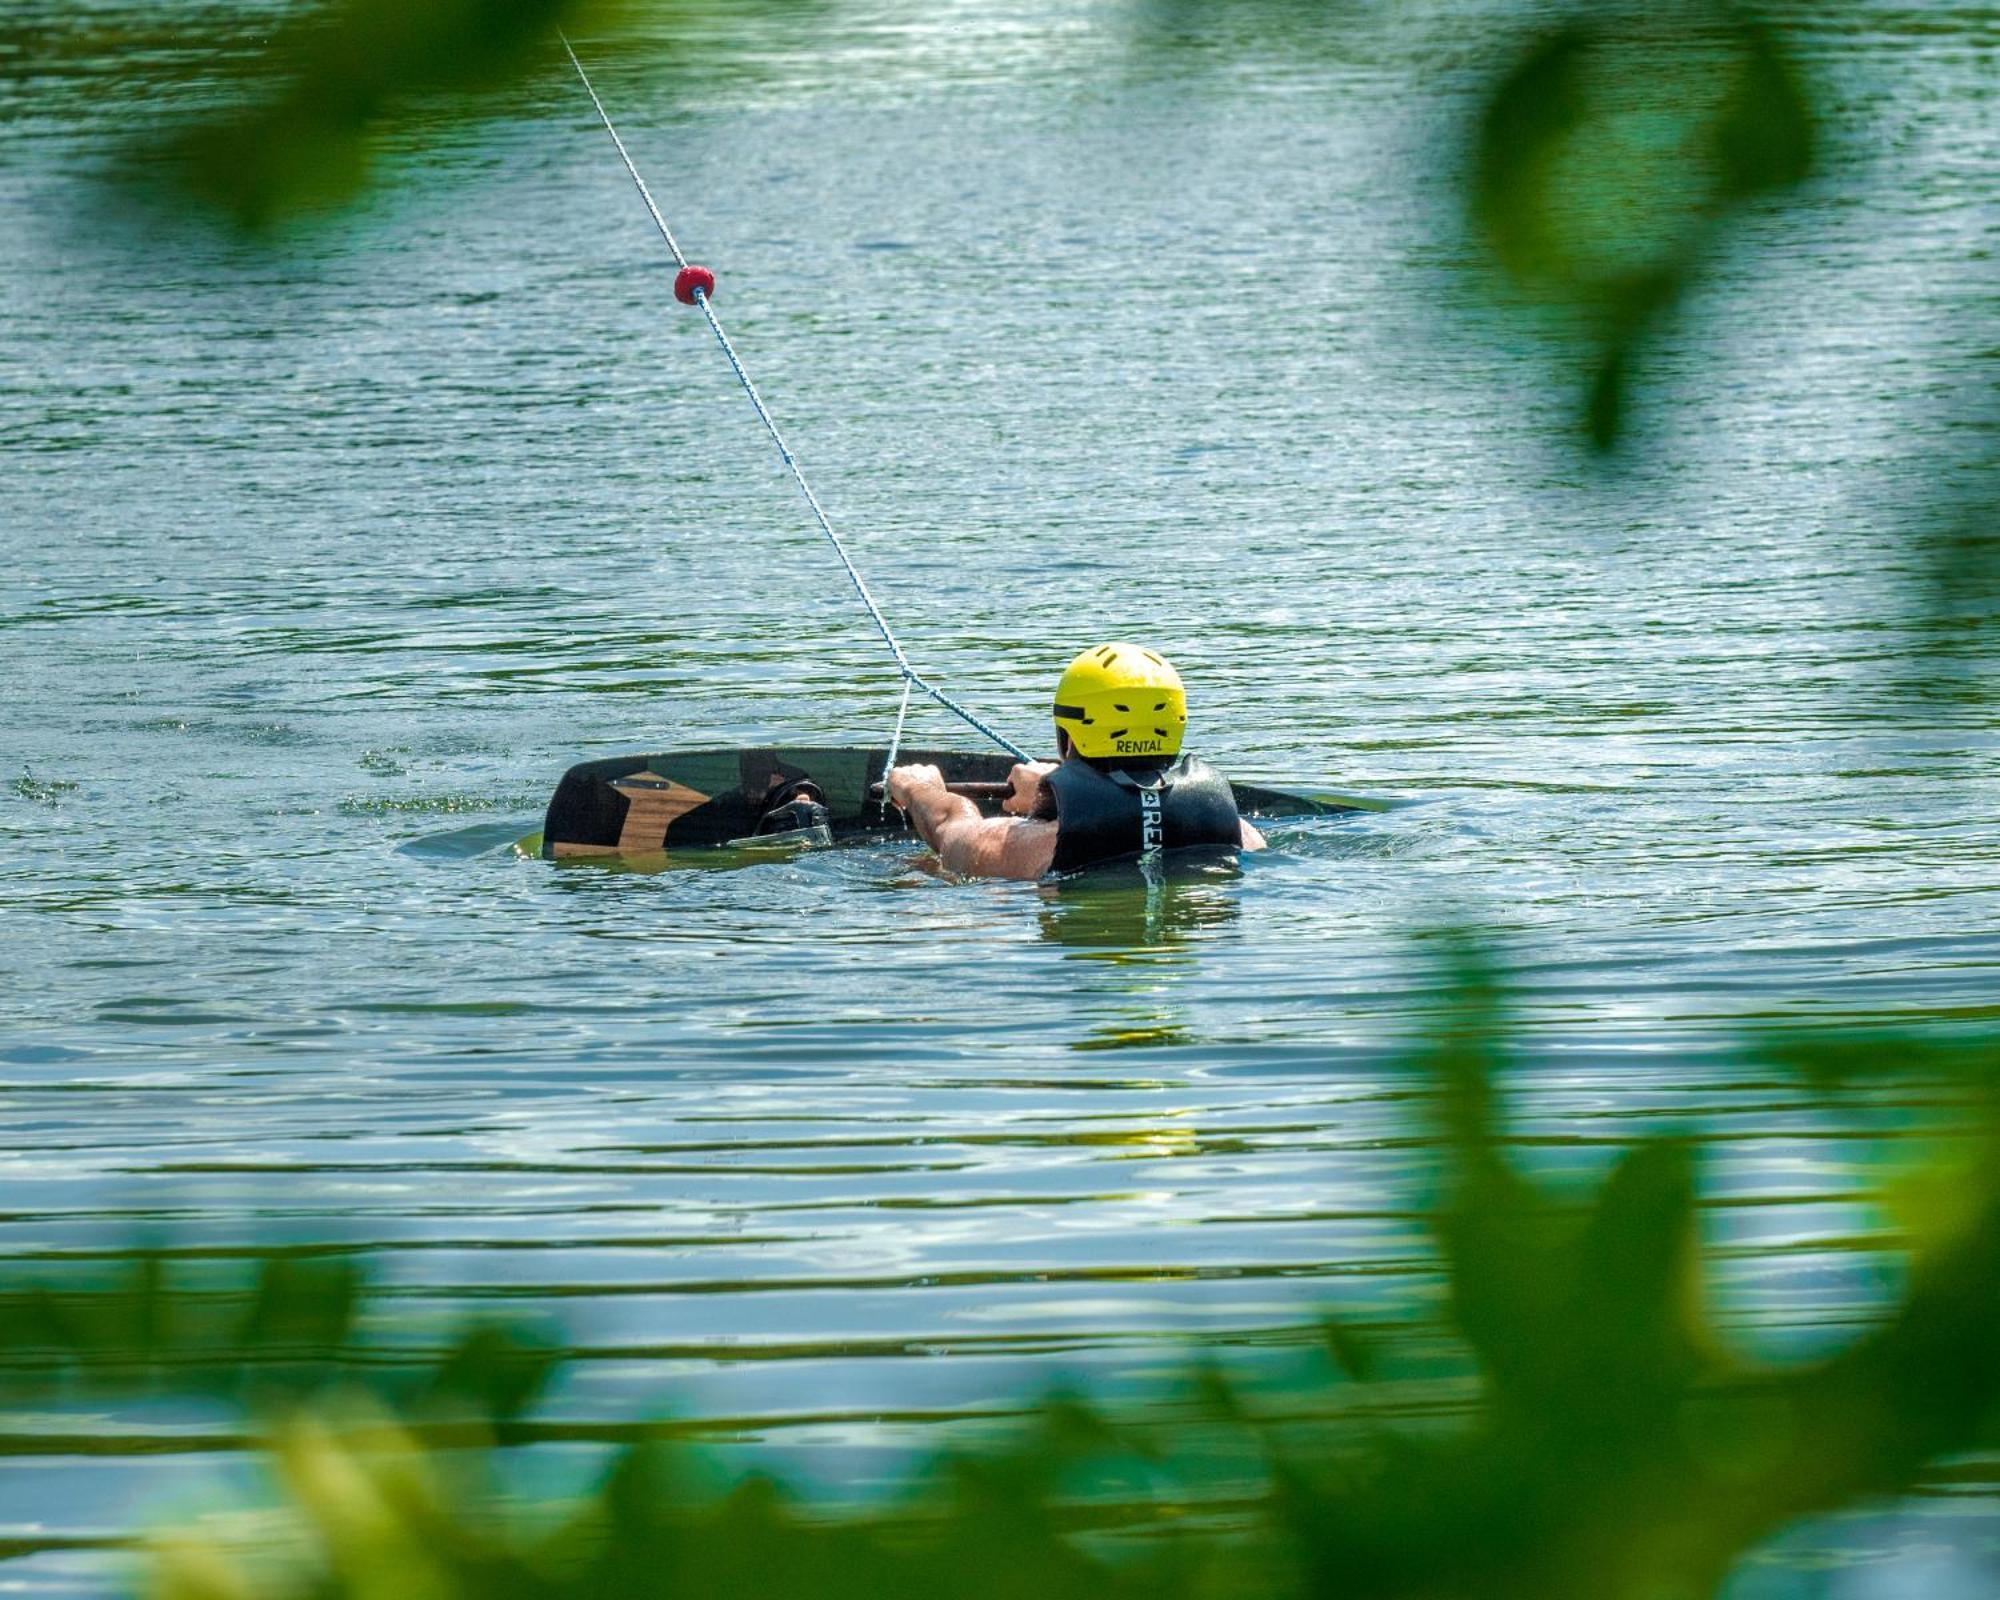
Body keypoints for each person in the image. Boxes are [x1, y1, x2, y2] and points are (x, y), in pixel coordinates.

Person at [885, 643, 1265, 880]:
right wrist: (1051, 794)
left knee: (924, 875)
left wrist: (920, 787)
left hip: (1064, 895)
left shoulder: (1030, 845)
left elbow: (949, 829)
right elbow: (1143, 810)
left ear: (1066, 737)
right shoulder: (1239, 832)